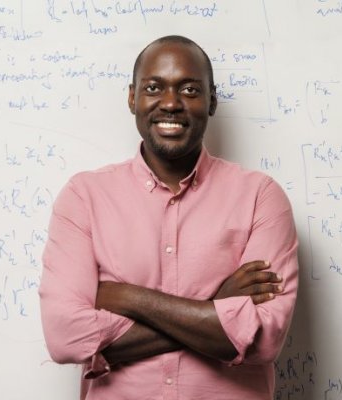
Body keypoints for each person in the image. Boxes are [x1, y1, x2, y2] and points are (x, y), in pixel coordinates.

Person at [39, 35, 298, 400]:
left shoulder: (261, 197)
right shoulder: (84, 198)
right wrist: (214, 309)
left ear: (212, 101)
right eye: (154, 87)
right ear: (133, 98)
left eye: (190, 90)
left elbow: (263, 338)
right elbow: (65, 337)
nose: (171, 103)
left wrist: (126, 298)